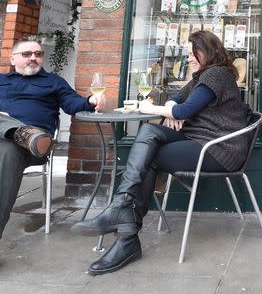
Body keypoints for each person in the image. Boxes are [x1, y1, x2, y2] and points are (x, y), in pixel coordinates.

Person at [71, 30, 252, 274]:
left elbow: (183, 110)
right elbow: (177, 100)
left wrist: (160, 108)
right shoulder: (202, 76)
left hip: (219, 148)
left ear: (208, 51)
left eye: (192, 53)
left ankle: (126, 235)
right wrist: (171, 107)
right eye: (187, 54)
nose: (188, 58)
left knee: (150, 156)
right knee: (149, 133)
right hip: (199, 139)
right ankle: (122, 208)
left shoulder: (217, 74)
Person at [0, 36, 106, 289]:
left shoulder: (53, 82)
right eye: (27, 53)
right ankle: (17, 130)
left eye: (38, 54)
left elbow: (75, 105)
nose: (33, 58)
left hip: (27, 149)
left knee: (8, 147)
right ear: (13, 58)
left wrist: (91, 101)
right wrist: (4, 123)